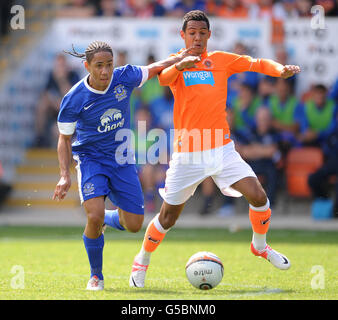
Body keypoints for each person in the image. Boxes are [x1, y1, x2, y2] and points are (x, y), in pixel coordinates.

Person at [128, 10, 300, 288]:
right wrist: (181, 65)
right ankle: (142, 260)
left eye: (202, 33)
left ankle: (260, 246)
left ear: (209, 35)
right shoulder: (177, 61)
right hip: (188, 153)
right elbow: (163, 78)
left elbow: (255, 63)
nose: (197, 37)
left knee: (258, 196)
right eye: (191, 33)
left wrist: (279, 69)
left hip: (221, 149)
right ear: (183, 35)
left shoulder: (220, 60)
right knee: (167, 217)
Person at [52, 40, 200, 291]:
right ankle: (96, 275)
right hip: (91, 159)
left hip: (121, 158)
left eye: (109, 65)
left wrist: (180, 60)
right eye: (98, 66)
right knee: (94, 215)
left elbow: (155, 67)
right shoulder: (74, 98)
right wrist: (64, 175)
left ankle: (106, 221)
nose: (105, 71)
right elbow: (64, 139)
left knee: (133, 225)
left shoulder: (125, 76)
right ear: (87, 66)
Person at [34, 53, 80, 147]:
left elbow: (70, 98)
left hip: (71, 114)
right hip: (57, 111)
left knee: (57, 131)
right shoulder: (52, 76)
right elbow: (46, 94)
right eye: (58, 65)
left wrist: (62, 80)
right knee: (42, 105)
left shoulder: (73, 75)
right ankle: (40, 137)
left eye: (62, 65)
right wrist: (55, 102)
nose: (60, 68)